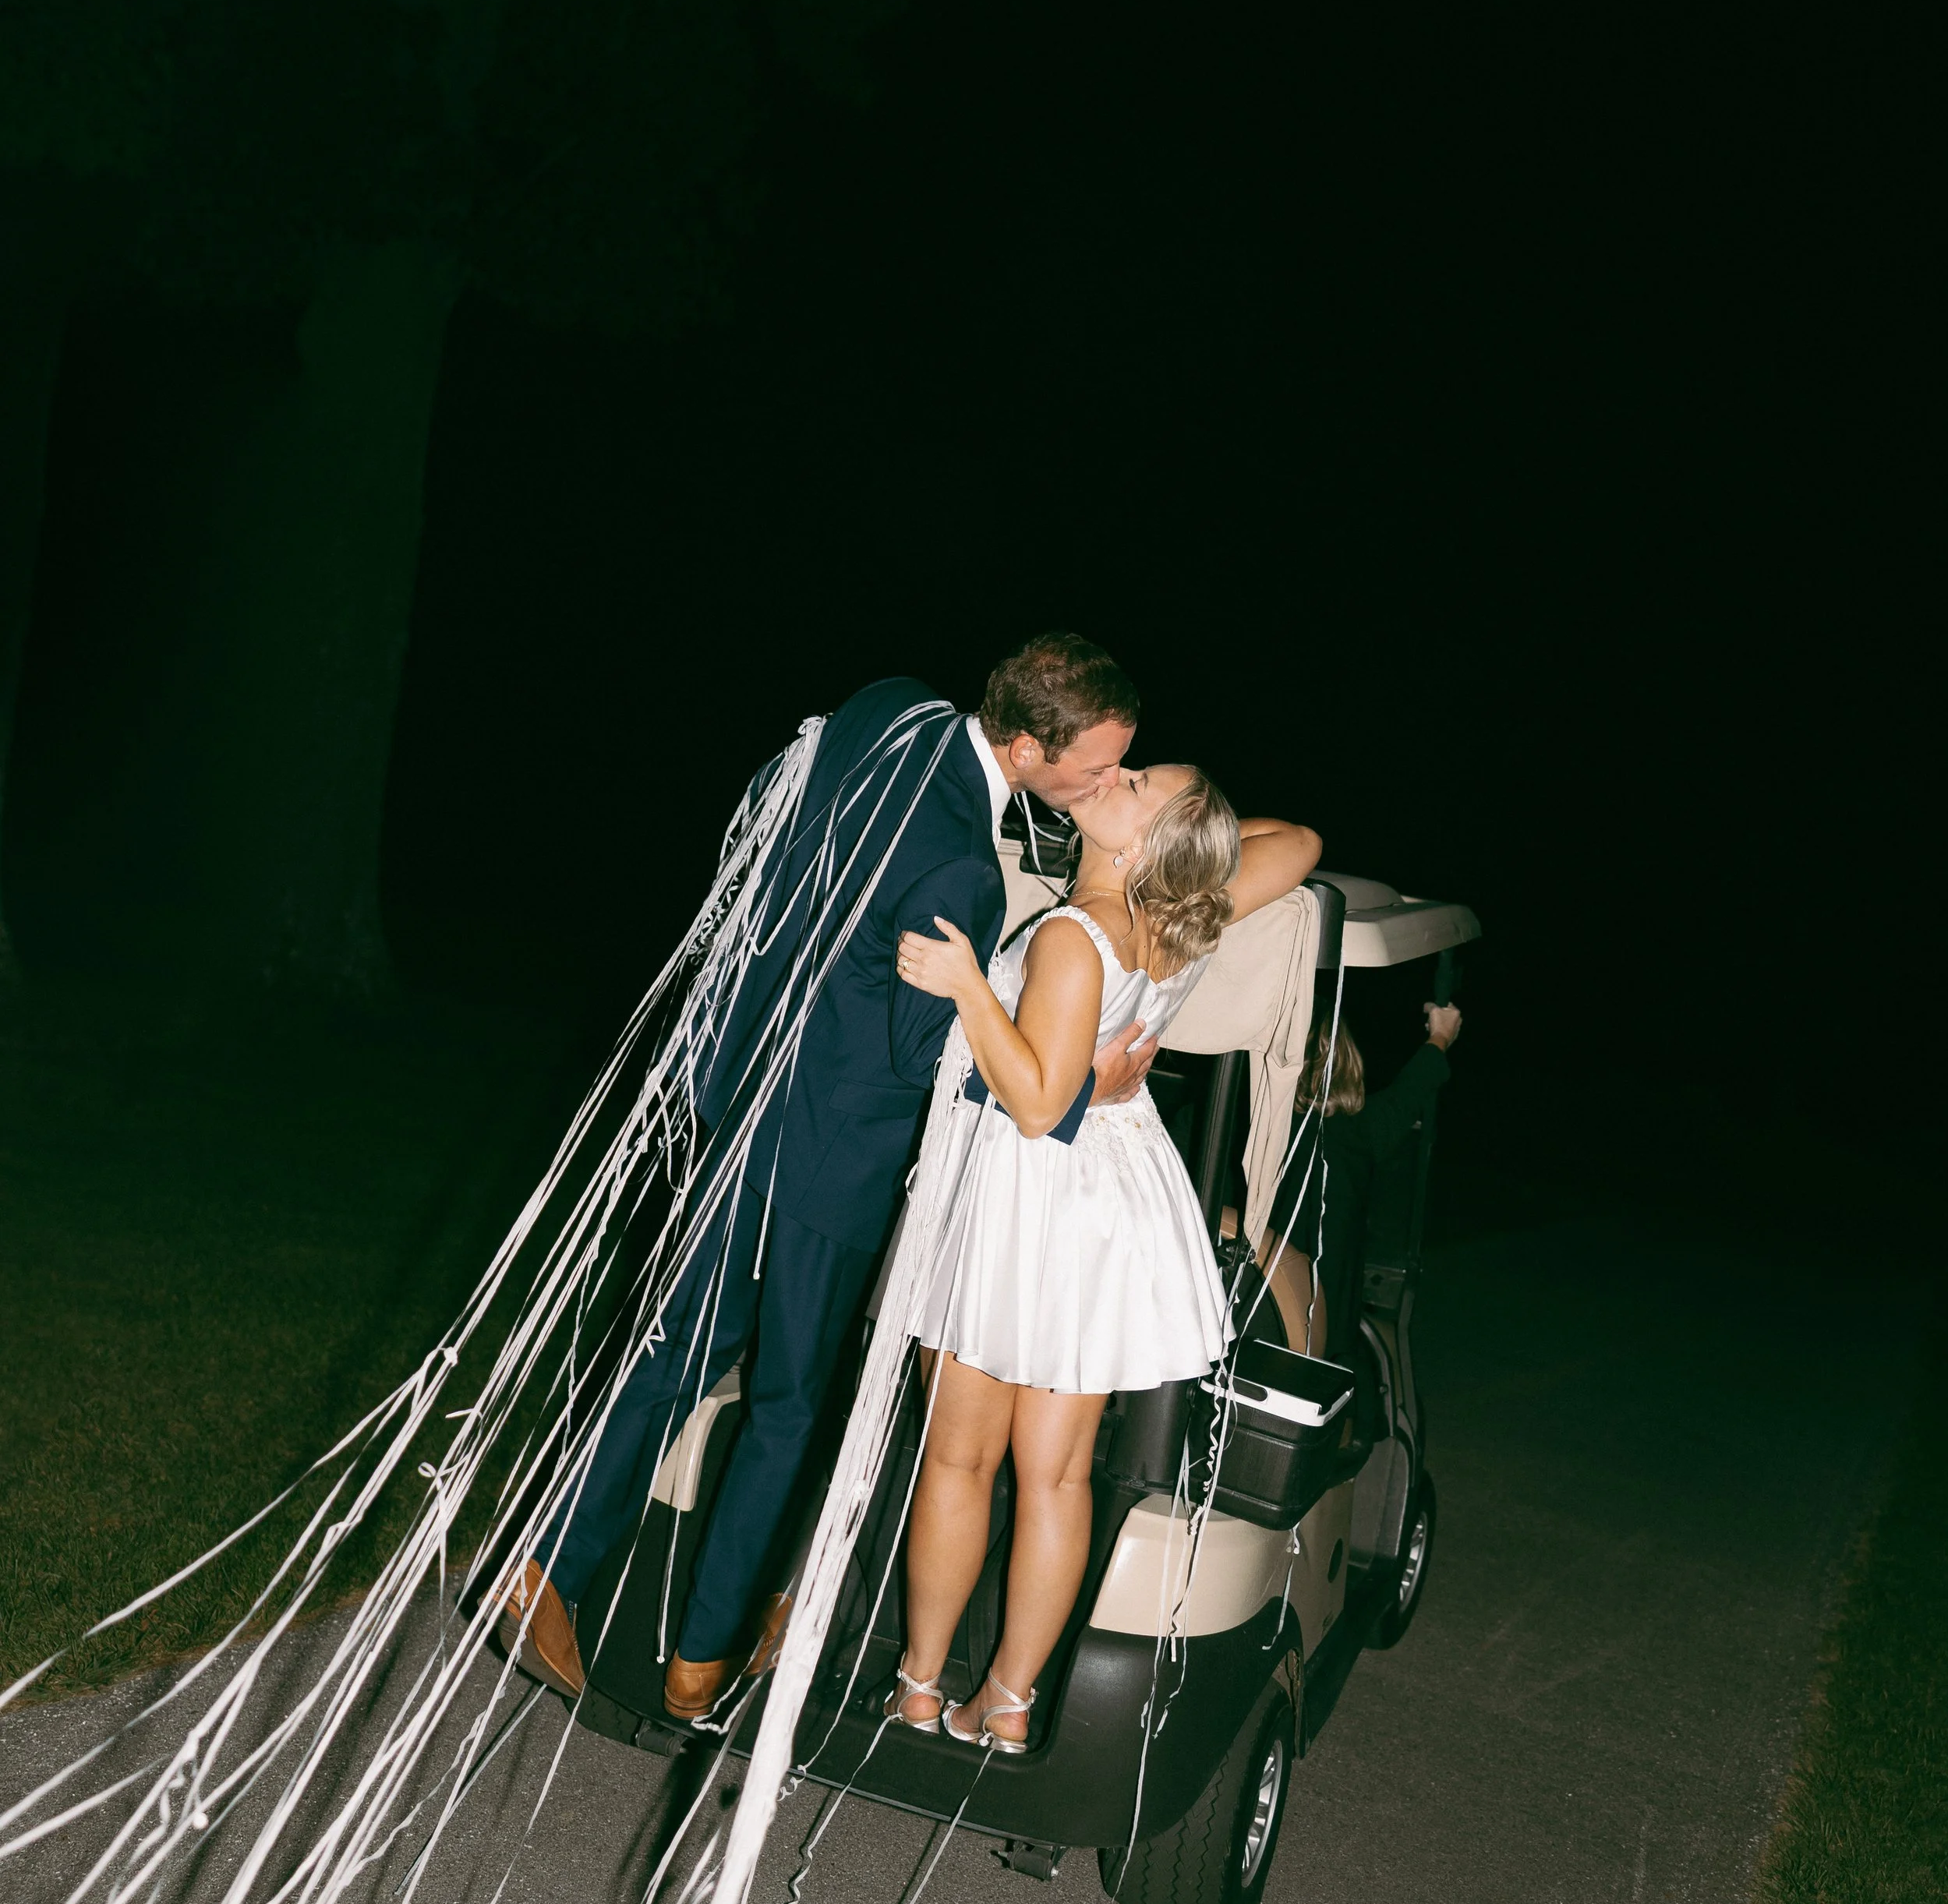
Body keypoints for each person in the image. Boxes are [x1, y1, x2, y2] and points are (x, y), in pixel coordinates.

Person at [497, 633, 1158, 1725]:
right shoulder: (958, 862)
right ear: (1031, 747)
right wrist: (1074, 1084)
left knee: (672, 1352)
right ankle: (699, 1658)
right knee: (791, 1402)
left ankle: (547, 1569)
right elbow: (920, 1056)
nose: (1096, 785)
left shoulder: (890, 707)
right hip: (830, 1155)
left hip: (743, 1096)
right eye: (1091, 767)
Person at [886, 769, 1322, 1750]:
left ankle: (919, 1687)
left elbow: (1038, 1107)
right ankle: (1005, 1703)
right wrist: (1186, 835)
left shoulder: (1072, 937)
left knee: (960, 1456)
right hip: (1102, 1202)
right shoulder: (1183, 914)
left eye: (1133, 784)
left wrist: (966, 989)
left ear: (1141, 843)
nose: (1111, 775)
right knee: (1056, 1476)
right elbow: (1296, 837)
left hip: (1023, 1193)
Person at [1252, 998, 1463, 1368]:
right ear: (1346, 1061)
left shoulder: (1257, 1124)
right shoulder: (1358, 1133)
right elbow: (1410, 1091)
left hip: (1256, 1307)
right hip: (1323, 1325)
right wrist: (1441, 1034)